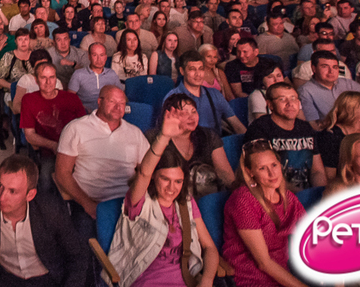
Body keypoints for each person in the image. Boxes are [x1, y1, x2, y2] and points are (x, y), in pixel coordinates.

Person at [107, 106, 220, 287]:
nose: (171, 188)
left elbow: (210, 248)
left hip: (186, 279)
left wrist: (206, 280)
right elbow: (144, 172)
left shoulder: (186, 202)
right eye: (165, 179)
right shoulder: (140, 202)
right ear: (154, 179)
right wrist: (164, 137)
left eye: (178, 181)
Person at [0, 154, 88, 287]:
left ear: (30, 194)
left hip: (47, 279)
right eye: (0, 186)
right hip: (4, 280)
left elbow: (77, 256)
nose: (2, 197)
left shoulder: (51, 209)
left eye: (12, 191)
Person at [55, 85, 149, 241]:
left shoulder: (135, 133)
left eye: (122, 103)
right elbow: (62, 172)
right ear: (99, 101)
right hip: (89, 203)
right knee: (85, 251)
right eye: (112, 101)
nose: (118, 107)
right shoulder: (76, 128)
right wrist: (88, 205)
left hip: (128, 205)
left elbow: (146, 171)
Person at [222, 139, 308, 287]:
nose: (271, 173)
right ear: (250, 172)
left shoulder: (288, 198)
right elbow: (264, 263)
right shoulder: (243, 200)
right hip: (251, 278)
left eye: (274, 165)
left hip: (282, 274)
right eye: (262, 168)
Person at [145, 94, 236, 196]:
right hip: (171, 196)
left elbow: (224, 173)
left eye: (193, 111)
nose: (191, 117)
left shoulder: (208, 135)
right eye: (184, 113)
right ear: (170, 115)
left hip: (206, 195)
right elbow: (145, 175)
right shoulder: (153, 138)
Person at [243, 82, 326, 192]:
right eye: (282, 99)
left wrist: (319, 194)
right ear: (270, 105)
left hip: (306, 194)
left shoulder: (305, 128)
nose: (290, 104)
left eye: (293, 99)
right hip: (275, 193)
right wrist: (300, 196)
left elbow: (317, 170)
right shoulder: (259, 129)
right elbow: (263, 177)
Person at [19, 62, 86, 188]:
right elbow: (29, 135)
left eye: (52, 77)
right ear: (36, 80)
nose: (48, 82)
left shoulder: (71, 98)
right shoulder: (29, 100)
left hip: (75, 149)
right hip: (50, 151)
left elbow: (84, 127)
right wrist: (53, 145)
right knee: (46, 181)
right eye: (43, 78)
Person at [166, 52, 246, 136]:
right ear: (182, 71)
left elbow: (236, 125)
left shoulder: (215, 94)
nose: (198, 74)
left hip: (215, 145)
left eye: (201, 69)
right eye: (192, 69)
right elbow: (168, 133)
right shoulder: (172, 97)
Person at [298, 51, 360, 129]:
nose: (331, 71)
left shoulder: (346, 83)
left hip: (356, 128)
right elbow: (313, 124)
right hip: (331, 133)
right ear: (314, 69)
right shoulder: (305, 91)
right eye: (325, 66)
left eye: (335, 67)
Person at [67, 42, 121, 113]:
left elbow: (121, 95)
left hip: (108, 112)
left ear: (105, 57)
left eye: (101, 55)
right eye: (95, 55)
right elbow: (70, 98)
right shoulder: (78, 74)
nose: (99, 59)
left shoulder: (112, 74)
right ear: (89, 56)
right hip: (85, 113)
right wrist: (82, 108)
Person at [246, 59, 284, 124]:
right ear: (261, 80)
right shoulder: (257, 95)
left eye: (279, 76)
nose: (276, 80)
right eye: (270, 77)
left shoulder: (290, 93)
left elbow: (300, 119)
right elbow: (264, 125)